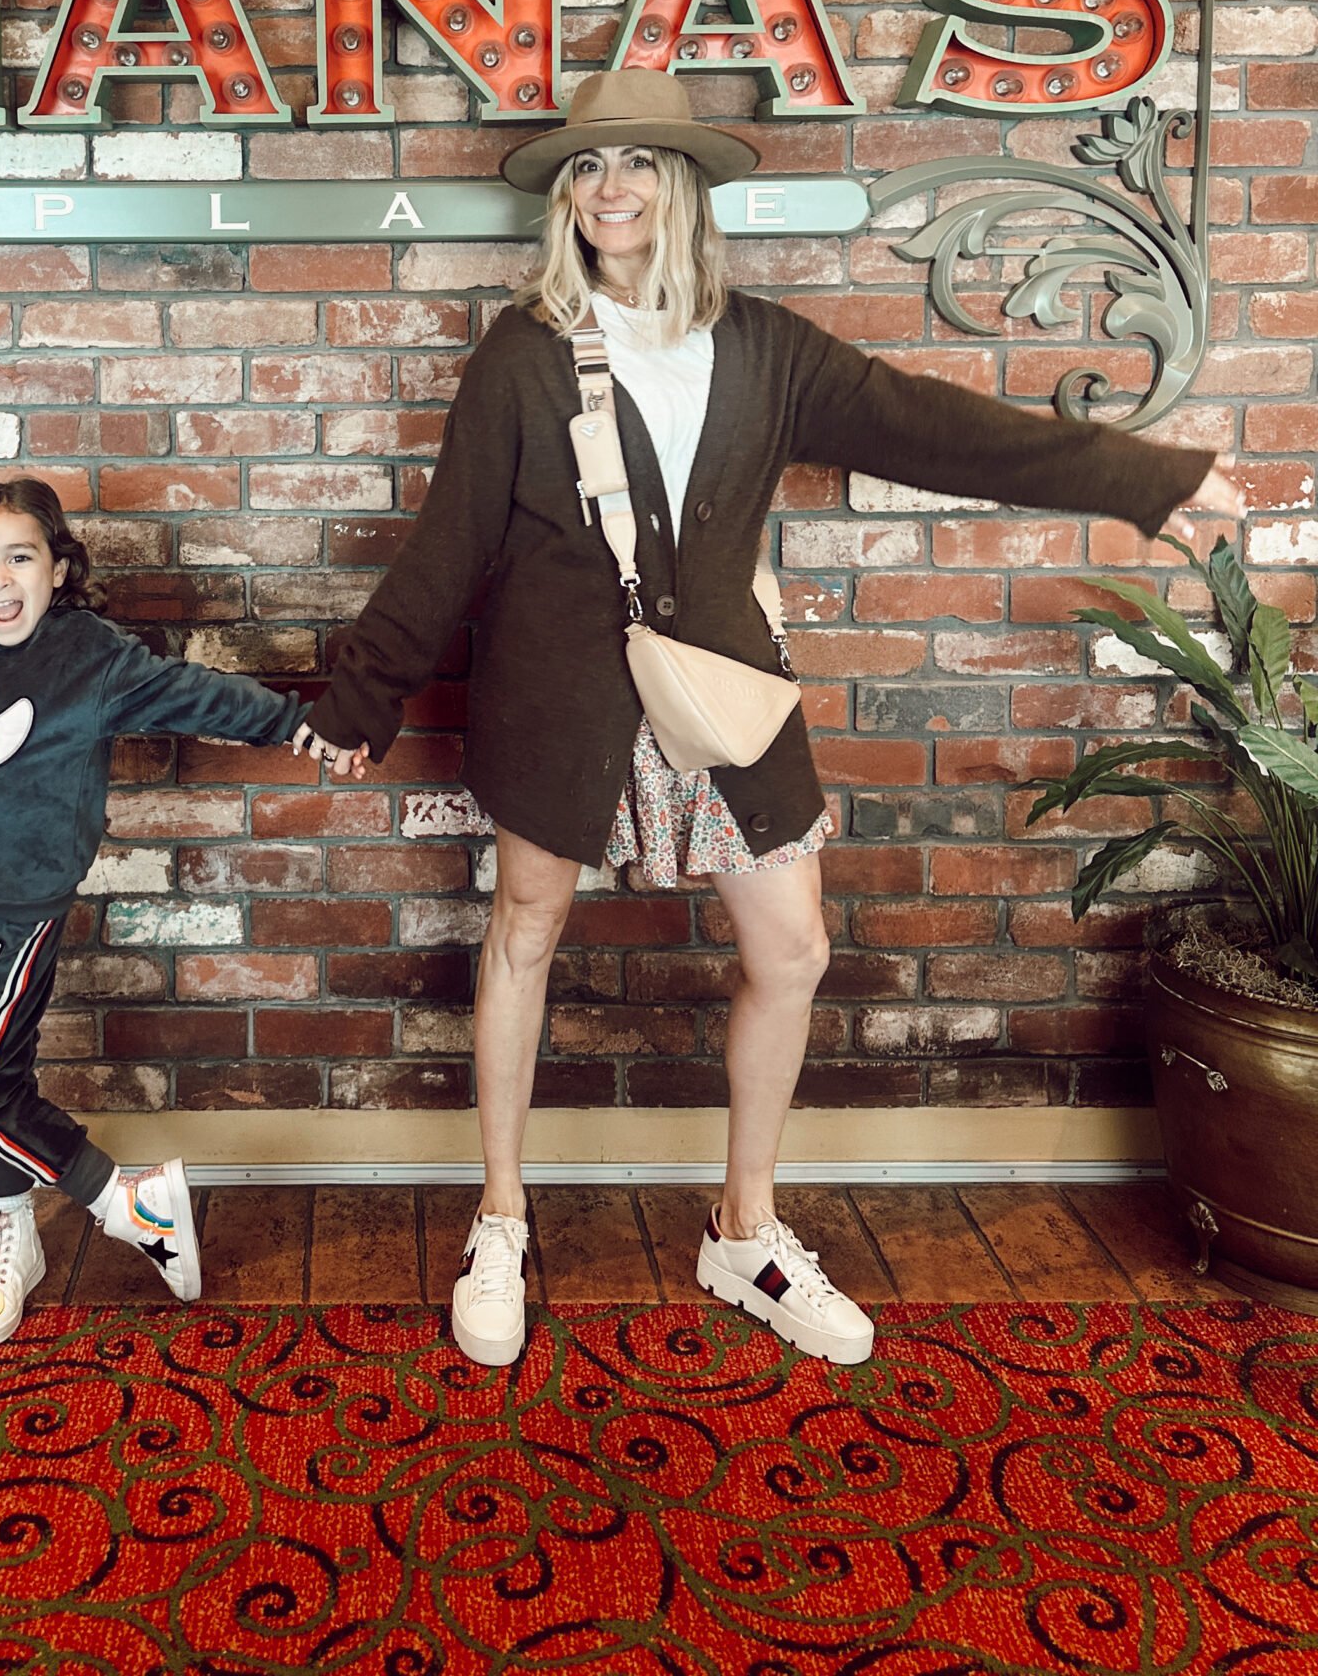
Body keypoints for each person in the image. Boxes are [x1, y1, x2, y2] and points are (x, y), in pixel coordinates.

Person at [298, 67, 1242, 1372]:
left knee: (791, 948)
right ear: (566, 198)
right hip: (557, 697)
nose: (612, 186)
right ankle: (502, 1218)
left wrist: (1149, 481)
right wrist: (360, 697)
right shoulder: (521, 358)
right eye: (588, 166)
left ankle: (744, 1229)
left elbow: (936, 429)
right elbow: (443, 551)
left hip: (723, 695)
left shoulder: (765, 348)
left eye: (636, 162)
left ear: (680, 186)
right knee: (524, 929)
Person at [0, 477, 312, 1348]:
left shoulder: (94, 661)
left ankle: (128, 1204)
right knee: (3, 1078)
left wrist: (296, 723)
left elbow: (203, 695)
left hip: (21, 909)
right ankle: (14, 1234)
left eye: (19, 558)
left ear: (60, 568)